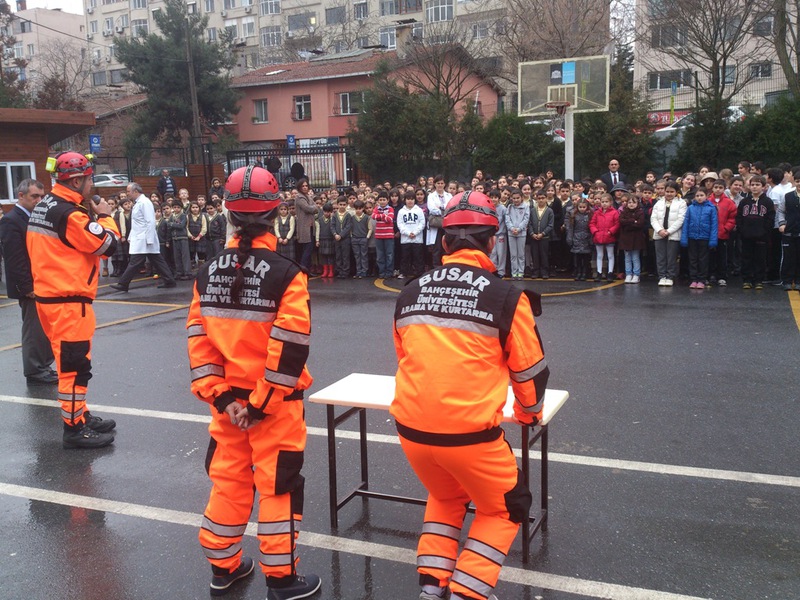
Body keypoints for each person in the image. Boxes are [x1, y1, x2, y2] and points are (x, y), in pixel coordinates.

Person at [391, 190, 549, 600]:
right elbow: (529, 370)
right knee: (507, 506)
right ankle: (468, 591)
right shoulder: (507, 297)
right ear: (493, 242)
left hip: (411, 431)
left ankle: (432, 585)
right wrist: (530, 414)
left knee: (445, 496)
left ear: (443, 243)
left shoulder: (410, 292)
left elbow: (405, 357)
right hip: (470, 437)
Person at [186, 165, 320, 600]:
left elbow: (199, 344)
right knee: (277, 486)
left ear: (227, 212)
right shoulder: (287, 273)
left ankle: (223, 566)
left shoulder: (207, 272)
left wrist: (224, 399)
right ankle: (281, 580)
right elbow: (289, 349)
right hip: (273, 406)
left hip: (228, 406)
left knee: (229, 480)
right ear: (276, 212)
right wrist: (260, 405)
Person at [26, 151, 118, 449]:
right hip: (68, 303)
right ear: (77, 180)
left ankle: (81, 414)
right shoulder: (70, 214)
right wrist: (105, 216)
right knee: (75, 368)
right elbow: (107, 245)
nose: (91, 184)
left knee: (70, 364)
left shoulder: (44, 206)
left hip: (49, 299)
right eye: (89, 179)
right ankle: (75, 428)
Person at [0, 178, 57, 385]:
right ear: (21, 196)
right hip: (31, 286)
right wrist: (27, 287)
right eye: (35, 196)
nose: (39, 200)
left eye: (42, 196)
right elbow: (15, 258)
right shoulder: (11, 220)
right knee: (34, 329)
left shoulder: (34, 217)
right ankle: (34, 370)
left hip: (43, 282)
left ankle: (43, 366)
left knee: (45, 329)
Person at [110, 182, 177, 292]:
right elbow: (136, 223)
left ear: (135, 191)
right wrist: (131, 236)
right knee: (157, 260)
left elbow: (150, 221)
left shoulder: (144, 202)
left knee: (135, 262)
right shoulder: (138, 203)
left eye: (128, 191)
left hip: (144, 239)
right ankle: (169, 280)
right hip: (141, 238)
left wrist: (149, 239)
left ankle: (123, 283)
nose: (127, 194)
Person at [737, 175, 775, 290]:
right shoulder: (744, 201)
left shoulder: (767, 202)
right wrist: (742, 231)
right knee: (746, 257)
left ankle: (759, 280)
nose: (754, 187)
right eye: (752, 185)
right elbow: (739, 217)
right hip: (747, 235)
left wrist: (764, 232)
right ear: (749, 186)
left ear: (763, 187)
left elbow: (770, 218)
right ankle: (747, 279)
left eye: (757, 185)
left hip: (761, 236)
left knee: (760, 258)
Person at [680, 188, 718, 289]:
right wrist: (684, 238)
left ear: (706, 196)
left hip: (704, 238)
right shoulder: (691, 208)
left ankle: (701, 279)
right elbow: (686, 223)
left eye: (701, 195)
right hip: (692, 237)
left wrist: (713, 240)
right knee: (692, 259)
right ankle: (693, 279)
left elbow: (714, 225)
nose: (699, 198)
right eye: (697, 196)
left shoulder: (711, 208)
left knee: (703, 259)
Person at [707, 179, 737, 286]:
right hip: (710, 234)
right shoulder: (707, 201)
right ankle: (711, 275)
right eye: (716, 187)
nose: (718, 190)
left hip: (723, 234)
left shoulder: (729, 202)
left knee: (722, 256)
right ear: (712, 188)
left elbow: (732, 218)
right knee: (710, 255)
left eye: (720, 188)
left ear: (724, 189)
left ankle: (722, 276)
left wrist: (726, 228)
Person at [589, 194, 619, 282]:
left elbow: (617, 224)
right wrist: (595, 232)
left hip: (609, 236)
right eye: (603, 202)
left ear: (611, 202)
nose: (604, 204)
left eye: (606, 202)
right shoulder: (597, 212)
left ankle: (610, 272)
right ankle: (599, 272)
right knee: (599, 255)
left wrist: (611, 231)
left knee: (610, 255)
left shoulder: (614, 212)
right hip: (599, 237)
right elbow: (592, 223)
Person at [396, 190, 425, 278]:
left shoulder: (419, 210)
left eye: (412, 199)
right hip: (405, 239)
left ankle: (419, 272)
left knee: (418, 257)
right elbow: (400, 224)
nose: (410, 201)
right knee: (405, 257)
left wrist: (415, 233)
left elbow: (422, 223)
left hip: (417, 239)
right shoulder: (401, 211)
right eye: (408, 199)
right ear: (405, 200)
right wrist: (408, 233)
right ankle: (404, 272)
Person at [618, 193, 646, 284]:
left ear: (637, 203)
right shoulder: (624, 212)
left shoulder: (640, 212)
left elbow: (640, 224)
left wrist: (629, 224)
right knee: (627, 257)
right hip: (626, 239)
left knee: (635, 257)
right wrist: (632, 221)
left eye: (634, 202)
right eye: (629, 202)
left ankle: (636, 274)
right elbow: (622, 221)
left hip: (636, 239)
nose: (631, 204)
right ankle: (628, 273)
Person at [779, 169, 800, 290]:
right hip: (789, 232)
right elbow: (781, 211)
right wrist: (782, 224)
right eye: (797, 181)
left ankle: (798, 281)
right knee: (788, 258)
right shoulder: (788, 196)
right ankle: (786, 280)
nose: (799, 184)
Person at [294, 178, 319, 270]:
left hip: (311, 227)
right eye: (303, 186)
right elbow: (309, 208)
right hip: (304, 228)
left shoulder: (308, 197)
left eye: (306, 186)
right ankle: (303, 269)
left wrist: (314, 207)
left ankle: (307, 269)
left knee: (310, 249)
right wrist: (314, 207)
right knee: (307, 250)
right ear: (299, 187)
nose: (305, 187)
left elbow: (314, 207)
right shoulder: (299, 198)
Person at [528, 190, 554, 279]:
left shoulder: (549, 211)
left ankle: (544, 271)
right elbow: (529, 223)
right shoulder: (532, 210)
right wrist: (532, 233)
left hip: (544, 237)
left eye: (543, 198)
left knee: (544, 255)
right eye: (539, 198)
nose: (541, 200)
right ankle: (535, 271)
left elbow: (550, 225)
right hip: (534, 237)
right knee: (535, 254)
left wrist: (543, 233)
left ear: (546, 199)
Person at [566, 197, 593, 281]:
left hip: (586, 238)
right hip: (576, 237)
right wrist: (570, 238)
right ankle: (578, 272)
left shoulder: (590, 215)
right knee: (577, 257)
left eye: (584, 207)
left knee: (585, 257)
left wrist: (591, 239)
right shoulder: (574, 215)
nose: (582, 209)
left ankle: (584, 272)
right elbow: (571, 228)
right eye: (580, 207)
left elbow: (591, 228)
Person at [505, 188, 529, 279]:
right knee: (513, 254)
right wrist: (511, 228)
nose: (516, 200)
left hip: (521, 233)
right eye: (514, 198)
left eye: (517, 198)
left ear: (521, 198)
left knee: (521, 254)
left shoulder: (526, 206)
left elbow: (526, 219)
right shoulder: (510, 207)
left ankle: (520, 272)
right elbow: (507, 219)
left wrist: (519, 229)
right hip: (511, 233)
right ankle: (514, 273)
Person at [372, 191, 395, 279]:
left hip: (389, 235)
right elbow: (373, 216)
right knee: (380, 255)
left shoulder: (390, 209)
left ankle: (389, 272)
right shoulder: (376, 208)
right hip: (379, 235)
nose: (382, 201)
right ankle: (382, 272)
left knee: (389, 254)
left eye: (384, 200)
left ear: (387, 200)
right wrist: (383, 216)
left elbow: (389, 219)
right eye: (380, 200)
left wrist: (380, 216)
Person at [331, 197, 353, 278]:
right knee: (338, 255)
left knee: (345, 255)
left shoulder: (348, 215)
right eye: (340, 204)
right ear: (337, 205)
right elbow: (332, 226)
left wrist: (341, 235)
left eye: (344, 205)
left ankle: (345, 271)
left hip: (345, 239)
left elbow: (348, 226)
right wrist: (335, 234)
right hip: (336, 238)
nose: (342, 206)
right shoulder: (334, 215)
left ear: (346, 205)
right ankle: (339, 271)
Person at [350, 199, 370, 278]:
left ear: (363, 208)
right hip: (355, 238)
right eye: (356, 209)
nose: (358, 210)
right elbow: (350, 228)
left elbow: (370, 228)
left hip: (363, 238)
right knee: (357, 256)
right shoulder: (352, 218)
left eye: (360, 208)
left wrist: (367, 237)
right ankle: (358, 271)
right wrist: (351, 236)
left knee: (364, 255)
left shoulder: (366, 217)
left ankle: (364, 271)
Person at [315, 202, 335, 278]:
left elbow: (333, 228)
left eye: (329, 212)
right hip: (322, 239)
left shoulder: (332, 219)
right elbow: (318, 230)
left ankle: (331, 271)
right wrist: (317, 240)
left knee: (330, 256)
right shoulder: (319, 220)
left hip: (330, 239)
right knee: (323, 257)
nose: (327, 213)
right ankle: (325, 270)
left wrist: (332, 217)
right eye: (325, 211)